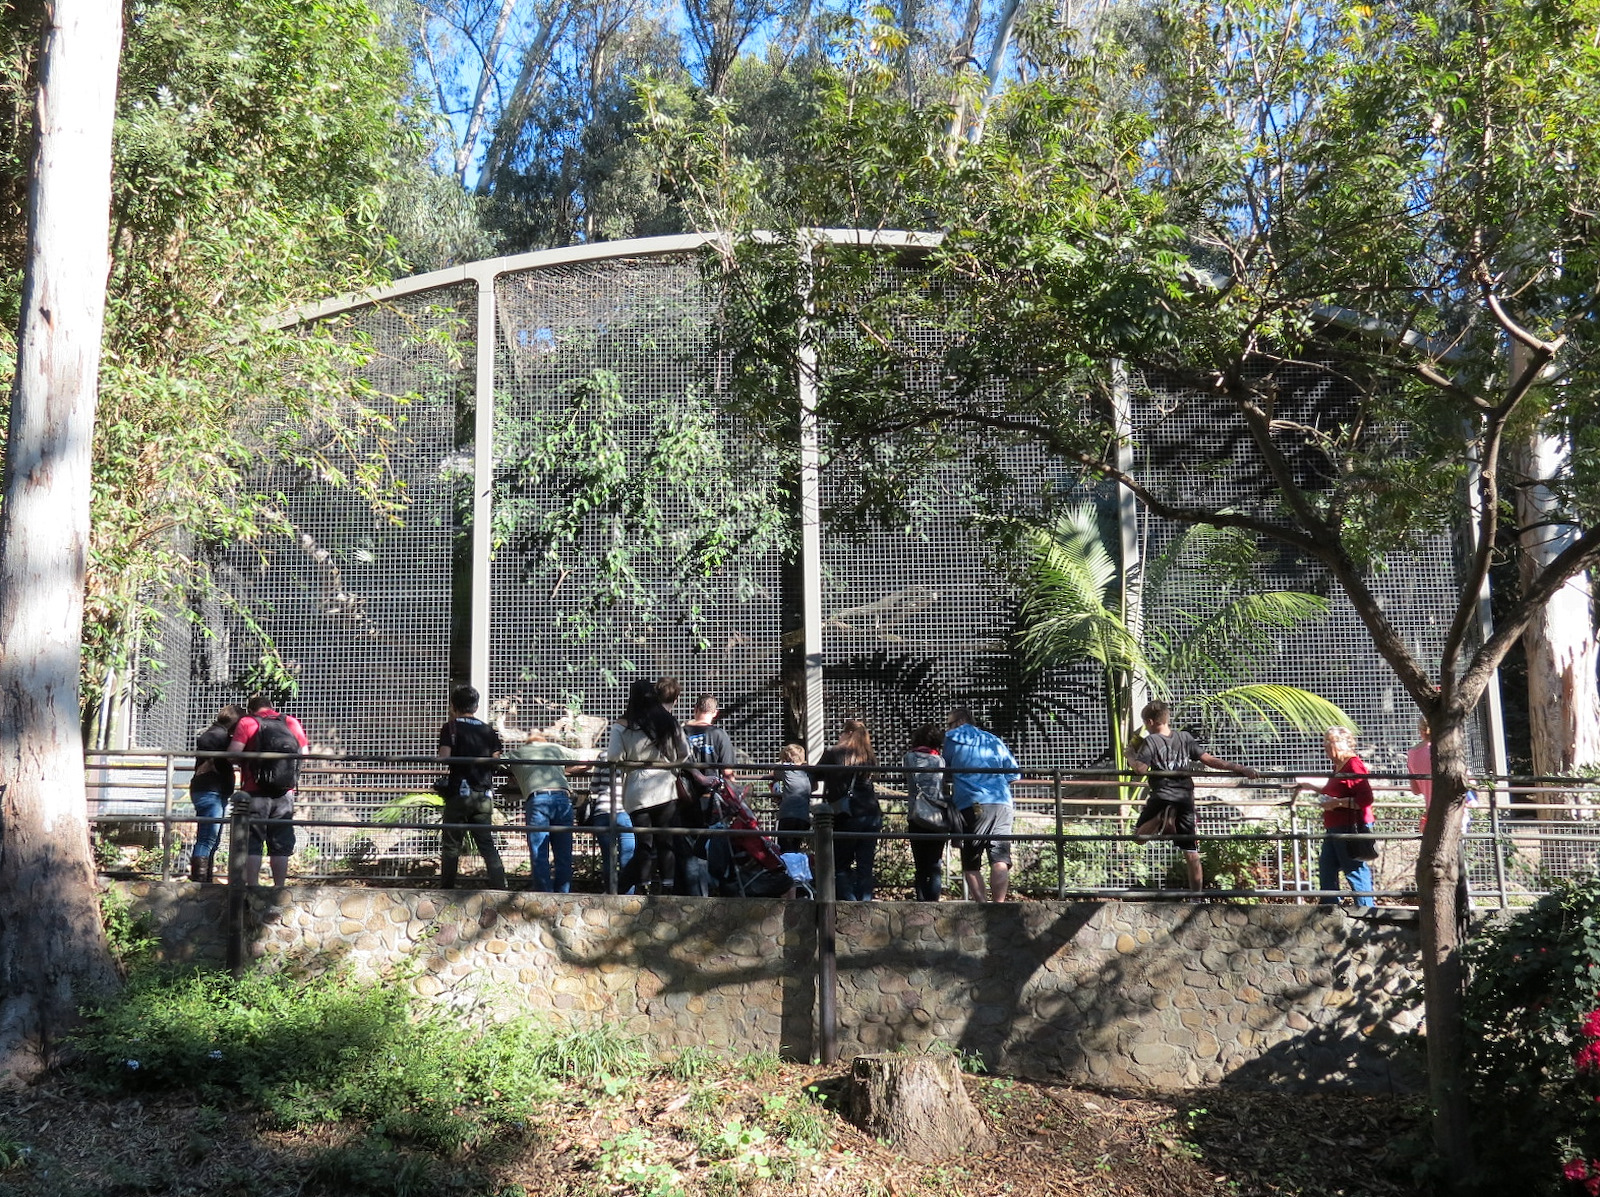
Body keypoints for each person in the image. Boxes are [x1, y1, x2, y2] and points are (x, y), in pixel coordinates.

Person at [1129, 700, 1261, 895]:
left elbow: (1140, 769)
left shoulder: (1151, 741)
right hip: (1185, 796)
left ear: (1149, 722)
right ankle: (1197, 898)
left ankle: (1160, 818)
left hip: (1162, 796)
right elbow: (1210, 760)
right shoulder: (1185, 737)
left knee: (1138, 838)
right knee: (1191, 851)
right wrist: (1240, 768)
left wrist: (1131, 755)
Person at [613, 677, 690, 895]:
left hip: (637, 792)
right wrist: (670, 767)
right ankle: (667, 887)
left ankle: (643, 887)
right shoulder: (668, 721)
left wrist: (633, 764)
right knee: (666, 841)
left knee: (643, 843)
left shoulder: (622, 725)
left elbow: (613, 757)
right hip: (665, 789)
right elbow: (685, 753)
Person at [227, 694, 309, 887]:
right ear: (271, 707)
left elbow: (233, 753)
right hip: (284, 792)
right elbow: (304, 754)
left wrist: (246, 760)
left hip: (254, 791)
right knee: (280, 842)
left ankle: (253, 888)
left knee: (253, 840)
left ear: (250, 709)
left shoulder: (247, 722)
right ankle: (279, 888)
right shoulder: (290, 721)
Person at [943, 706, 1020, 902]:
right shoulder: (992, 739)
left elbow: (943, 769)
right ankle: (999, 907)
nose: (948, 728)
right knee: (1000, 858)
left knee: (971, 862)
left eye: (949, 724)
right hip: (1002, 803)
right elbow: (1013, 773)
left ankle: (982, 907)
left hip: (972, 803)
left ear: (956, 723)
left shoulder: (951, 739)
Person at [436, 685, 507, 890]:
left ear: (453, 705)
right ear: (476, 706)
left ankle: (447, 889)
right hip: (483, 795)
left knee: (451, 845)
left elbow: (444, 757)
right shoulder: (488, 730)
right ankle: (500, 887)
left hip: (459, 793)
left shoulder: (451, 727)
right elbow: (496, 759)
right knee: (486, 843)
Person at [1297, 725, 1376, 908]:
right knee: (1326, 867)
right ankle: (1329, 909)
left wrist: (1336, 804)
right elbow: (1336, 789)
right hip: (1334, 827)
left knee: (1354, 870)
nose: (1325, 747)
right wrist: (1311, 786)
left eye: (1328, 743)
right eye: (1325, 743)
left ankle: (1367, 911)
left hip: (1349, 826)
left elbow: (1366, 798)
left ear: (1341, 744)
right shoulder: (1338, 765)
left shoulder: (1353, 764)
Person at [503, 730, 582, 892]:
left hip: (537, 799)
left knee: (539, 852)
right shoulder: (554, 748)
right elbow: (583, 760)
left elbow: (495, 763)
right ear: (543, 741)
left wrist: (517, 773)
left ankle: (544, 895)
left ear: (527, 743)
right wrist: (561, 770)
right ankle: (563, 894)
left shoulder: (517, 753)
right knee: (564, 853)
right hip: (562, 797)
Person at [679, 693, 737, 896]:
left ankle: (690, 893)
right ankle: (710, 892)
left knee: (687, 846)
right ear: (715, 713)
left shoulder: (682, 731)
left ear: (695, 709)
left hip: (683, 797)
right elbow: (728, 772)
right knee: (710, 846)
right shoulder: (719, 735)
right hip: (711, 799)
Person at [818, 716, 880, 901]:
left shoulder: (834, 752)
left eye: (842, 732)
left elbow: (815, 772)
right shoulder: (868, 755)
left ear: (849, 733)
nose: (839, 735)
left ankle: (849, 903)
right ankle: (864, 905)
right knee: (865, 865)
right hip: (871, 814)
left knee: (840, 863)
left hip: (847, 814)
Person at [189, 704, 245, 883]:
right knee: (207, 837)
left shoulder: (216, 734)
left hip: (214, 791)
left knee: (211, 837)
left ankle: (205, 879)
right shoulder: (215, 736)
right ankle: (200, 882)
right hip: (209, 791)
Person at [904, 725, 953, 901]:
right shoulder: (940, 761)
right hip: (937, 817)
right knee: (935, 864)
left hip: (917, 815)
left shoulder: (908, 758)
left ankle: (921, 900)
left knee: (920, 864)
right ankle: (934, 903)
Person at [587, 716, 635, 891]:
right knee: (628, 855)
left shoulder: (604, 755)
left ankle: (611, 893)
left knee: (608, 857)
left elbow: (594, 787)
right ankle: (628, 895)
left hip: (602, 811)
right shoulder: (633, 755)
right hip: (626, 810)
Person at [772, 743, 814, 853]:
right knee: (796, 846)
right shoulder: (808, 771)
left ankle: (787, 868)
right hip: (804, 816)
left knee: (784, 847)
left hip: (787, 814)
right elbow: (814, 787)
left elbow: (775, 772)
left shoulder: (785, 768)